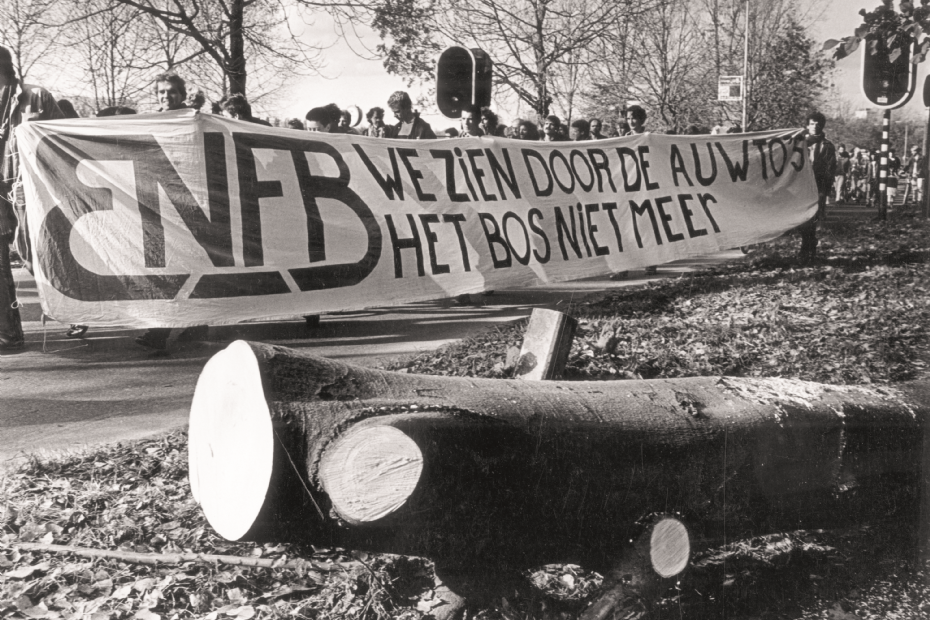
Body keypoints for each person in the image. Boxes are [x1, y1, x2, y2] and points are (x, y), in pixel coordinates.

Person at [0, 46, 64, 351]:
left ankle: (74, 304)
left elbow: (63, 137)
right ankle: (8, 334)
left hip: (27, 187)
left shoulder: (35, 96)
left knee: (35, 255)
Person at [799, 111, 836, 261]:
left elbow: (830, 168)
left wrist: (825, 190)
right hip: (799, 186)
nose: (815, 126)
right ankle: (807, 242)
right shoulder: (799, 142)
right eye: (812, 123)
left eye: (818, 124)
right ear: (807, 125)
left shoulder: (827, 145)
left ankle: (808, 246)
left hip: (818, 186)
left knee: (812, 218)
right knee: (801, 218)